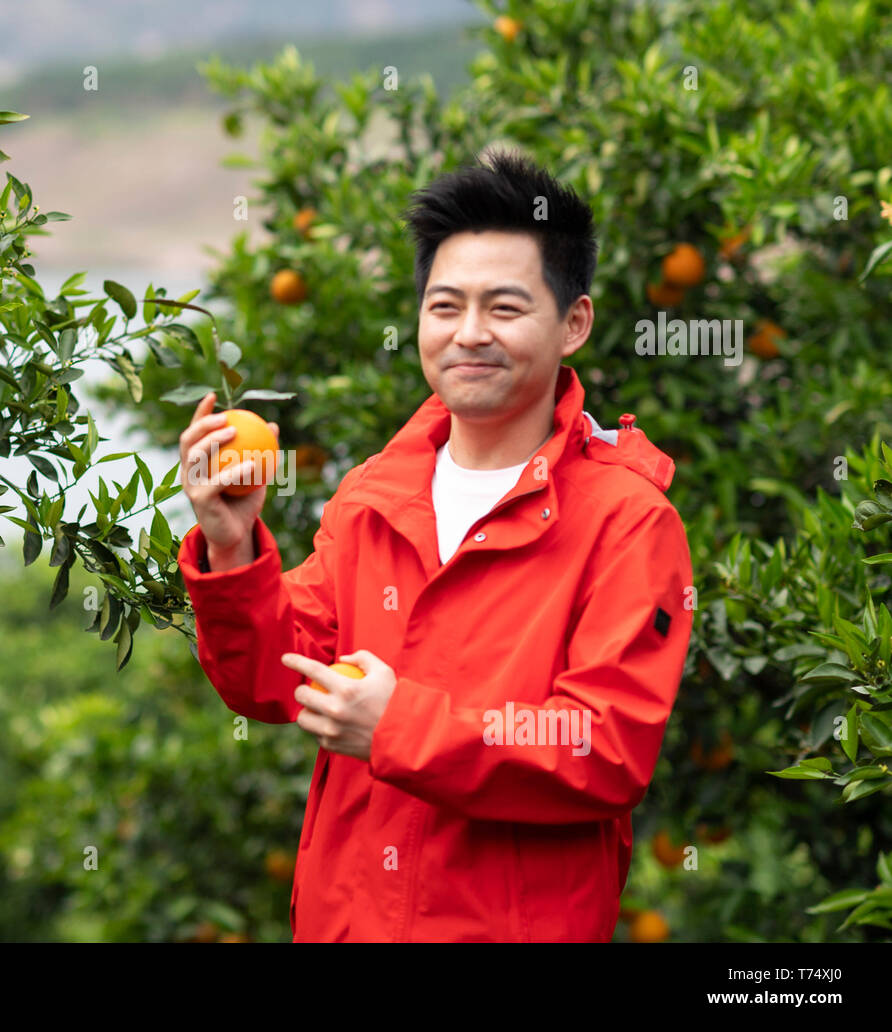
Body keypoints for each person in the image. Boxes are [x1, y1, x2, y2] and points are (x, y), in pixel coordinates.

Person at [176, 149, 693, 942]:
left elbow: (603, 748)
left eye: (506, 309)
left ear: (574, 324)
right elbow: (275, 681)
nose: (469, 334)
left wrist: (398, 728)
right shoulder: (376, 495)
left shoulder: (625, 522)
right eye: (445, 306)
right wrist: (232, 549)